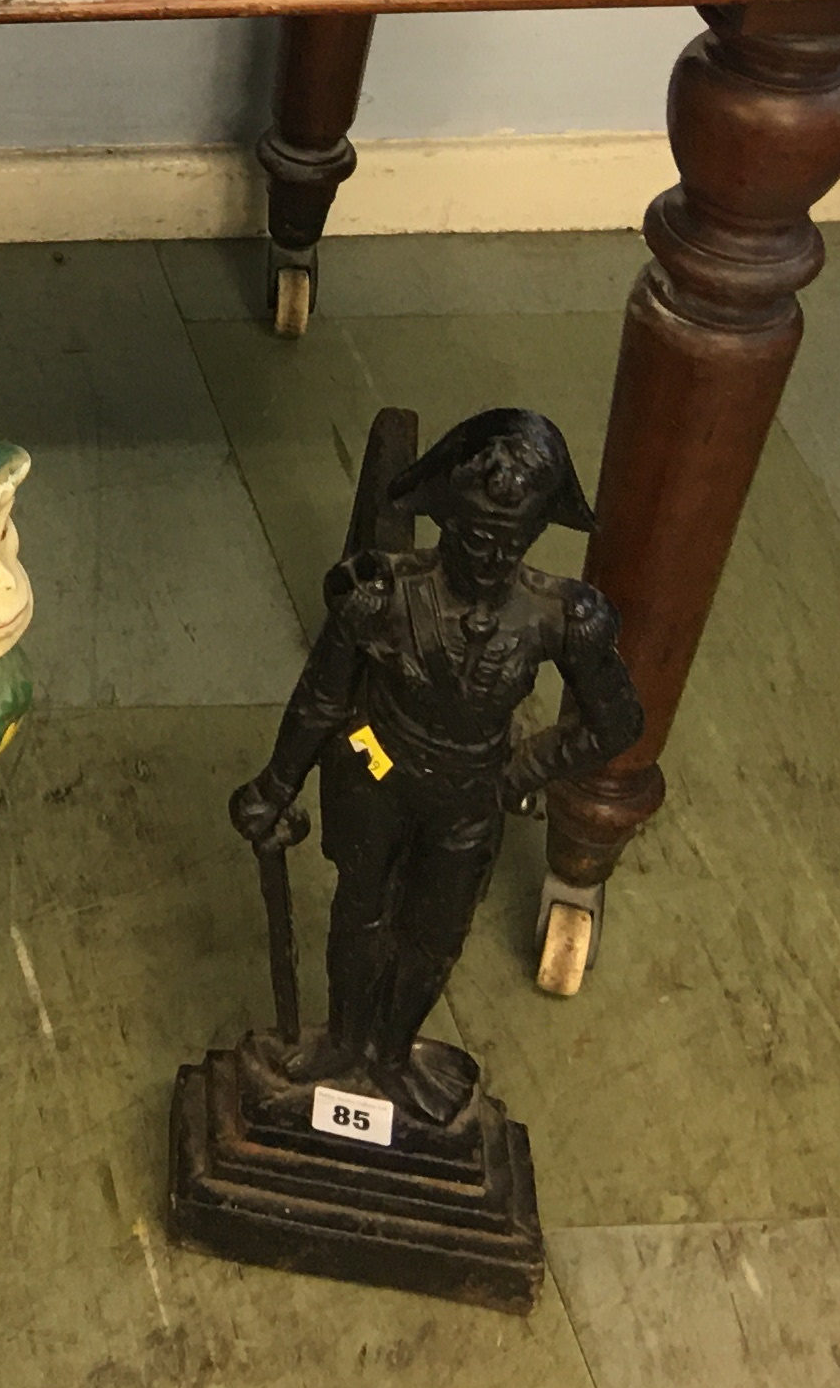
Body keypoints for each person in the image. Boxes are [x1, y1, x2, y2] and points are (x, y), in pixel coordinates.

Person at [229, 407, 643, 1126]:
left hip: (471, 794)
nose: (487, 561)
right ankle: (346, 1038)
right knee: (359, 907)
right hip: (378, 771)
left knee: (435, 930)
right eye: (474, 539)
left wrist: (520, 771)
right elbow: (323, 697)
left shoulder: (555, 618)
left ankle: (389, 1052)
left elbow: (616, 722)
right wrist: (276, 783)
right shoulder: (385, 597)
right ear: (447, 525)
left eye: (507, 546)